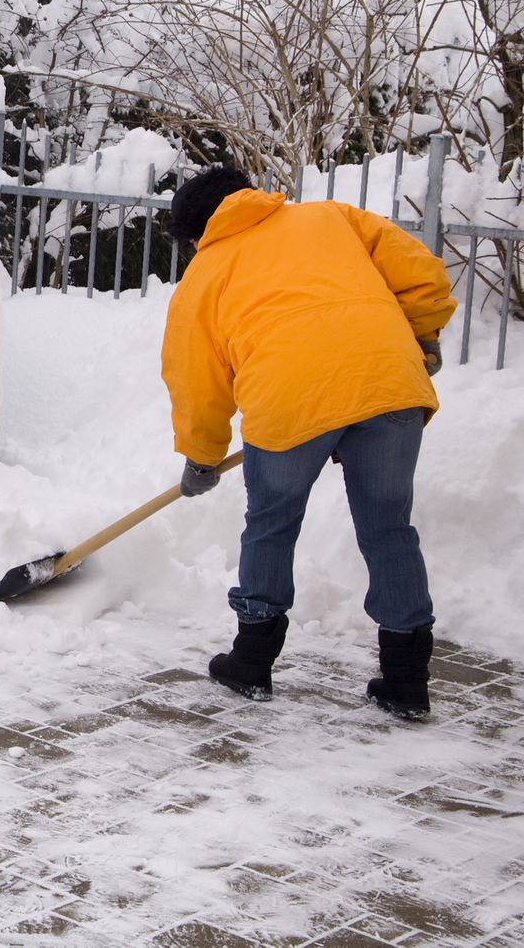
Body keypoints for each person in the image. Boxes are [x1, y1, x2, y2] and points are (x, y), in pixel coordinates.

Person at [161, 166, 455, 719]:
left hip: (289, 398)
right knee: (390, 529)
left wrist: (201, 455)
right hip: (389, 384)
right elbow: (424, 277)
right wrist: (419, 335)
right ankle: (407, 682)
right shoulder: (331, 217)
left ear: (198, 232)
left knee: (271, 525)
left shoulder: (204, 275)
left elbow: (196, 379)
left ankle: (251, 663)